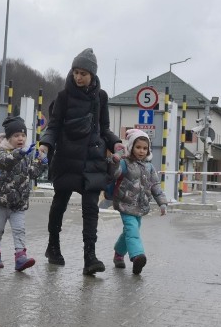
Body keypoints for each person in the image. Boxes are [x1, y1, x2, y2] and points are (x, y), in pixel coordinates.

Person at [38, 48, 123, 275]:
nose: (78, 77)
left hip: (92, 159)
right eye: (76, 72)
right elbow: (53, 126)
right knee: (60, 204)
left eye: (83, 73)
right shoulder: (64, 96)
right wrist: (45, 144)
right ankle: (53, 246)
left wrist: (114, 143)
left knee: (90, 209)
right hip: (67, 157)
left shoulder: (101, 97)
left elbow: (103, 128)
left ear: (92, 75)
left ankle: (90, 258)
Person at [0, 116, 47, 271]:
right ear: (8, 137)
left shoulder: (26, 155)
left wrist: (41, 163)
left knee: (19, 229)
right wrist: (20, 153)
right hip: (0, 200)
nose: (21, 138)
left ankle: (20, 257)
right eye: (16, 135)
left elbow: (31, 173)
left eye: (23, 135)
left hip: (18, 202)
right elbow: (6, 162)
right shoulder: (1, 152)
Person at [111, 129, 167, 275]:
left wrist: (162, 203)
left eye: (144, 148)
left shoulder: (149, 166)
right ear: (131, 147)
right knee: (132, 230)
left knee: (129, 232)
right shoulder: (125, 162)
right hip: (125, 203)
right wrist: (115, 162)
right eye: (138, 147)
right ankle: (137, 256)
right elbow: (115, 174)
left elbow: (155, 185)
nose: (141, 151)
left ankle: (118, 254)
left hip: (141, 206)